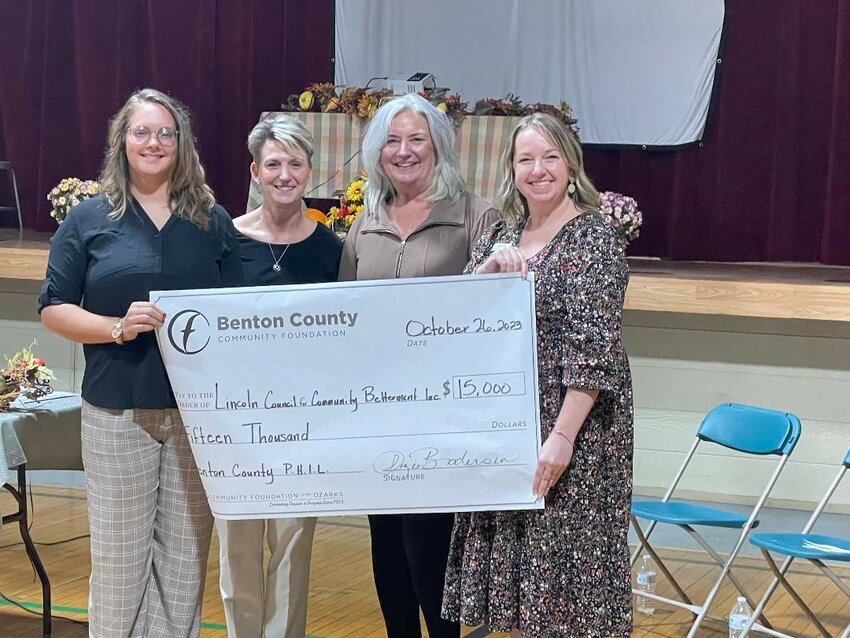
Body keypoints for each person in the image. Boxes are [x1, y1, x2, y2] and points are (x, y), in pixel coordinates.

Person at [38, 88, 242, 637]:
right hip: (116, 412)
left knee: (183, 567)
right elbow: (53, 309)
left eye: (166, 133)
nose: (154, 142)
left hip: (195, 419)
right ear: (121, 141)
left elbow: (241, 306)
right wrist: (115, 328)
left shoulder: (210, 220)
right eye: (141, 132)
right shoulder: (88, 219)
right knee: (120, 565)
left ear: (182, 144)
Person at [441, 112, 634, 638]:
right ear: (512, 170)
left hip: (572, 427)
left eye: (549, 156)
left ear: (571, 164)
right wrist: (484, 272)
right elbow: (453, 320)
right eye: (526, 159)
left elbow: (594, 348)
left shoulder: (595, 237)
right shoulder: (503, 236)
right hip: (507, 425)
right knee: (526, 590)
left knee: (564, 588)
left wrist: (563, 437)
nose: (538, 169)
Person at [338, 93, 499, 638]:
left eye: (416, 139)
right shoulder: (366, 222)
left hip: (442, 417)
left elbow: (492, 317)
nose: (403, 151)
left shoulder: (478, 217)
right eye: (392, 140)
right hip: (376, 413)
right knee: (385, 543)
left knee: (428, 545)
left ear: (439, 147)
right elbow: (343, 315)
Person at [216, 115, 342, 638]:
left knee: (292, 552)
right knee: (237, 556)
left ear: (310, 170)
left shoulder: (333, 250)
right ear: (255, 171)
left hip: (305, 426)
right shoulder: (225, 242)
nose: (284, 174)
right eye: (273, 164)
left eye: (295, 163)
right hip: (237, 424)